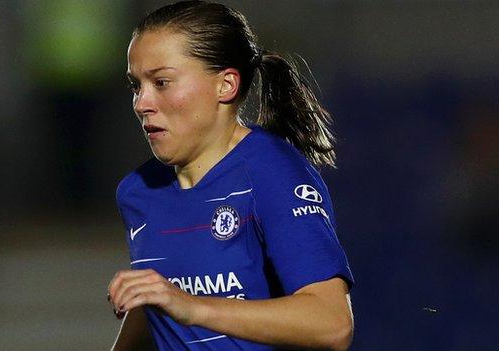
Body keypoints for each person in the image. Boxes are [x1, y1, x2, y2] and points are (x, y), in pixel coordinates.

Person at [108, 1, 354, 350]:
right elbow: (161, 308)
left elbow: (331, 324)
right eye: (137, 85)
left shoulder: (274, 174)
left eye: (161, 82)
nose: (141, 102)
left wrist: (190, 307)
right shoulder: (139, 191)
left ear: (226, 85)